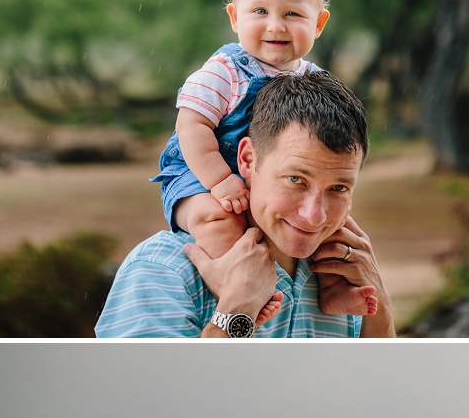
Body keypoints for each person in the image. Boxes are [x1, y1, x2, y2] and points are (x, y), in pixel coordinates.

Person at [96, 70, 395, 338]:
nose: (314, 216)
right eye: (295, 180)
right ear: (248, 160)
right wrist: (236, 311)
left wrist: (380, 305)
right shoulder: (162, 272)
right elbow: (144, 399)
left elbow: (384, 395)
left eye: (338, 188)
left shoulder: (348, 282)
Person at [154, 0, 331, 267]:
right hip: (199, 175)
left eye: (292, 14)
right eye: (260, 11)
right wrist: (219, 180)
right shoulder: (224, 72)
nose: (276, 26)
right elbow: (191, 127)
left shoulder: (316, 81)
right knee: (219, 220)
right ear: (235, 18)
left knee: (332, 229)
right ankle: (229, 280)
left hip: (273, 183)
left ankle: (335, 290)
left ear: (318, 23)